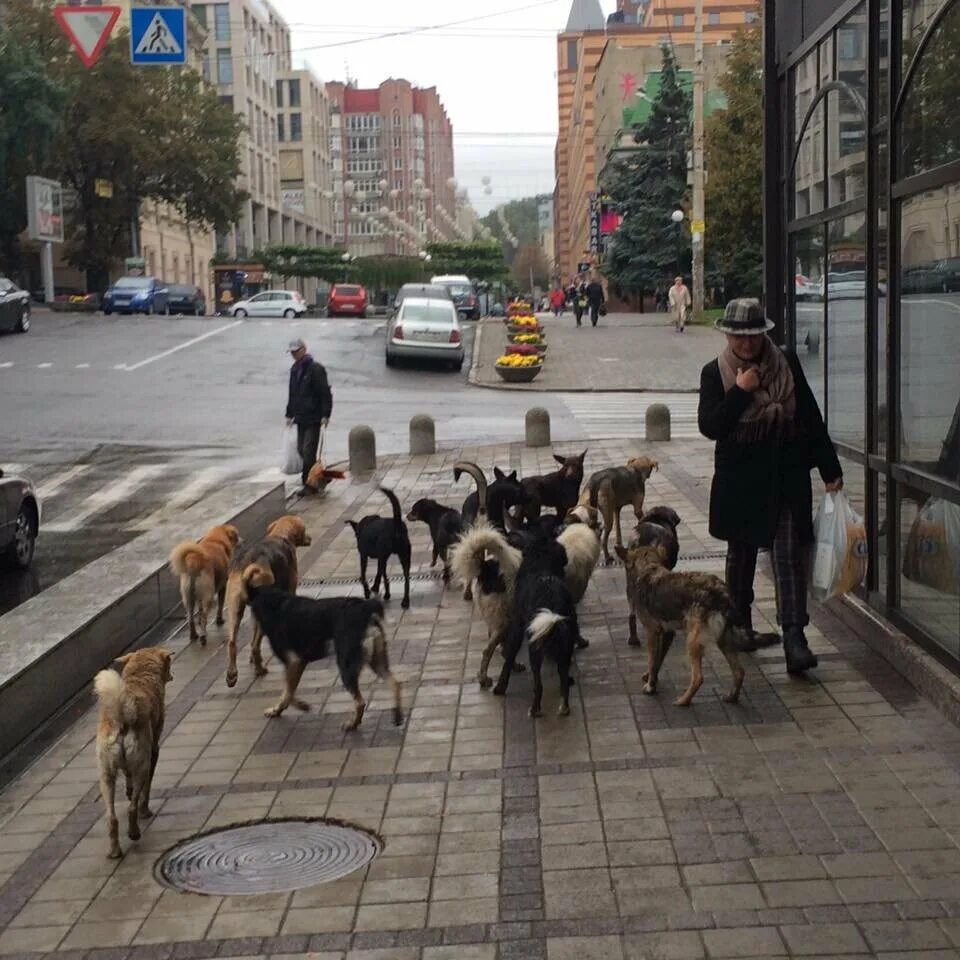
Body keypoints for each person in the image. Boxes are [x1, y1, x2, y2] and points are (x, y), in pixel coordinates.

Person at [698, 299, 843, 675]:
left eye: (753, 335)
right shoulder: (716, 372)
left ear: (764, 333)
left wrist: (830, 469)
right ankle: (740, 624)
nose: (747, 344)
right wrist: (740, 391)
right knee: (741, 556)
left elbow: (809, 416)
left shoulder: (787, 363)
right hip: (740, 481)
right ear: (728, 335)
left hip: (786, 477)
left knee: (788, 557)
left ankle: (795, 638)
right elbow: (711, 426)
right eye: (739, 336)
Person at [286, 337, 333, 494]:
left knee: (308, 451)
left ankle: (308, 485)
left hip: (314, 417)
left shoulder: (315, 369)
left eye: (296, 351)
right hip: (301, 417)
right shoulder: (294, 370)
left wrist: (326, 414)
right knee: (301, 449)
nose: (294, 355)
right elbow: (293, 393)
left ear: (304, 350)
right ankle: (317, 477)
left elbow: (325, 393)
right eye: (292, 353)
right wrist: (289, 413)